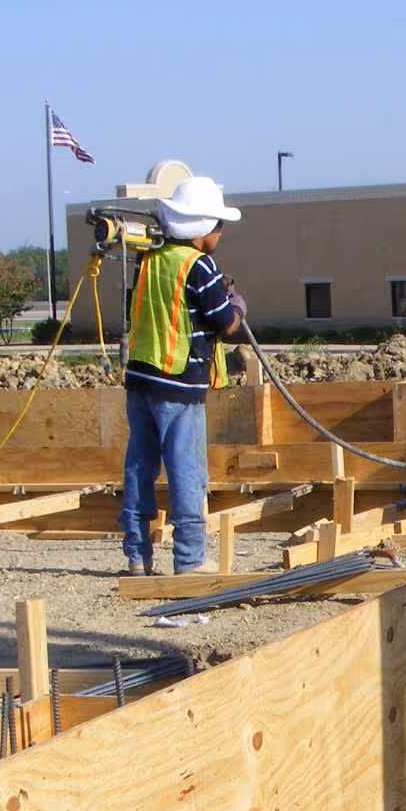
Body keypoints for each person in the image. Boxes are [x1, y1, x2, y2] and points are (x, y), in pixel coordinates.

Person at [121, 175, 248, 576]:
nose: (221, 234)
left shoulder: (151, 258)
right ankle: (190, 559)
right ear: (204, 229)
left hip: (141, 378)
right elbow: (225, 323)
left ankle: (137, 555)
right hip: (179, 384)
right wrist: (238, 306)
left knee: (140, 466)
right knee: (187, 469)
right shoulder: (199, 265)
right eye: (218, 227)